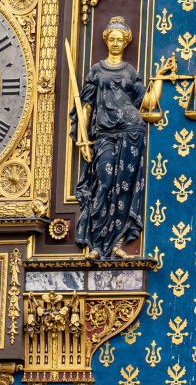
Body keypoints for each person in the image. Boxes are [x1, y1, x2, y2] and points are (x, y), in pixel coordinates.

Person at [70, 17, 170, 258]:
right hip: (104, 134)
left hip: (131, 132)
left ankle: (117, 243)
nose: (115, 44)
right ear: (107, 40)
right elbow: (87, 107)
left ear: (126, 42)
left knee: (124, 188)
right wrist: (83, 140)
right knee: (103, 184)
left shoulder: (130, 71)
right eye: (112, 39)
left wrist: (159, 78)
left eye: (120, 40)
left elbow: (148, 103)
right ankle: (97, 244)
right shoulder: (97, 70)